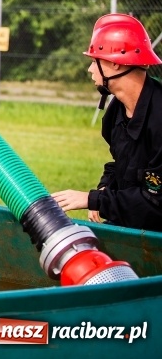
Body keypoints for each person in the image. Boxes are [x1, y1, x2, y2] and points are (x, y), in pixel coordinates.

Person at [52, 13, 162, 232]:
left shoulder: (159, 118)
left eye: (95, 61)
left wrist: (94, 200)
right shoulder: (115, 113)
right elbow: (121, 164)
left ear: (115, 64)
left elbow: (156, 202)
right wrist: (105, 187)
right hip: (135, 227)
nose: (90, 69)